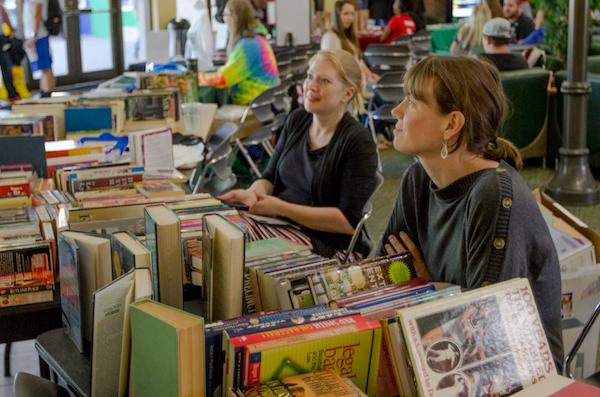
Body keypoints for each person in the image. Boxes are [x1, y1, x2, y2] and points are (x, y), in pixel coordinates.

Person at [380, 56, 563, 370]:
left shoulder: (494, 194)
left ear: (451, 124)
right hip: (440, 354)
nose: (396, 111)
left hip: (516, 374)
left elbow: (484, 337)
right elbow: (382, 274)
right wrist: (436, 292)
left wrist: (427, 289)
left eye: (412, 101)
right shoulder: (417, 179)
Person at [220, 50, 378, 258]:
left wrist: (282, 208)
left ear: (347, 94)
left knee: (233, 247)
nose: (311, 86)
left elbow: (348, 222)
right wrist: (253, 195)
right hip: (280, 225)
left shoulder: (358, 142)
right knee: (220, 230)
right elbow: (269, 177)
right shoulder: (298, 120)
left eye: (324, 81)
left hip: (326, 244)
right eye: (309, 76)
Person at [198, 0, 279, 105]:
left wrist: (198, 76)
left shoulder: (247, 46)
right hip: (265, 102)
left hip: (253, 103)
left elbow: (221, 79)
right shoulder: (258, 39)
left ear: (235, 18)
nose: (223, 18)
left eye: (226, 14)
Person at [321, 0, 379, 84]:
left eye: (352, 14)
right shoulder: (330, 37)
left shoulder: (348, 37)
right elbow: (334, 69)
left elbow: (358, 61)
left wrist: (370, 75)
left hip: (358, 83)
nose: (350, 18)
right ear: (337, 15)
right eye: (346, 14)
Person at [23, 0, 56, 97]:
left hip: (39, 36)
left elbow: (37, 14)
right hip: (36, 35)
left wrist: (34, 35)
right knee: (43, 67)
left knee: (46, 66)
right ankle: (44, 91)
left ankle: (47, 93)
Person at [185, 0, 214, 71]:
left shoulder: (203, 15)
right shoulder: (197, 15)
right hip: (194, 62)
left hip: (203, 65)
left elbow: (207, 43)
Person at [0, 2, 19, 102]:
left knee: (7, 67)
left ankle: (12, 94)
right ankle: (12, 94)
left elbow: (4, 15)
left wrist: (11, 30)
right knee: (6, 67)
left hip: (1, 39)